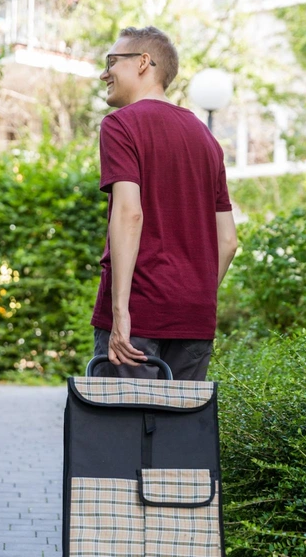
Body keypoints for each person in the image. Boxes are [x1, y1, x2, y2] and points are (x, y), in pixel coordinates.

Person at [91, 26, 239, 380]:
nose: (104, 72)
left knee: (123, 430)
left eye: (112, 61)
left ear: (143, 63)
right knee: (180, 433)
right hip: (194, 320)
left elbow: (129, 213)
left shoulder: (121, 126)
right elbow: (229, 242)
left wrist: (121, 311)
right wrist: (194, 298)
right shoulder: (207, 140)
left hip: (138, 315)